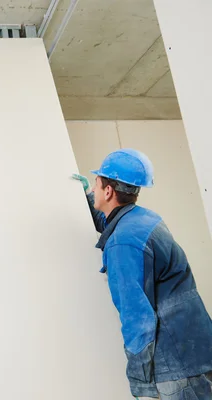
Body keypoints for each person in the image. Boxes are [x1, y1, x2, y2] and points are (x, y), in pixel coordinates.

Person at [72, 149, 212, 400]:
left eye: (96, 182)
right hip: (196, 350)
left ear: (108, 191)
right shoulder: (144, 219)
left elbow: (137, 318)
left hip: (176, 366)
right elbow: (112, 223)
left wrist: (142, 385)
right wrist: (85, 199)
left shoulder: (123, 244)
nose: (93, 187)